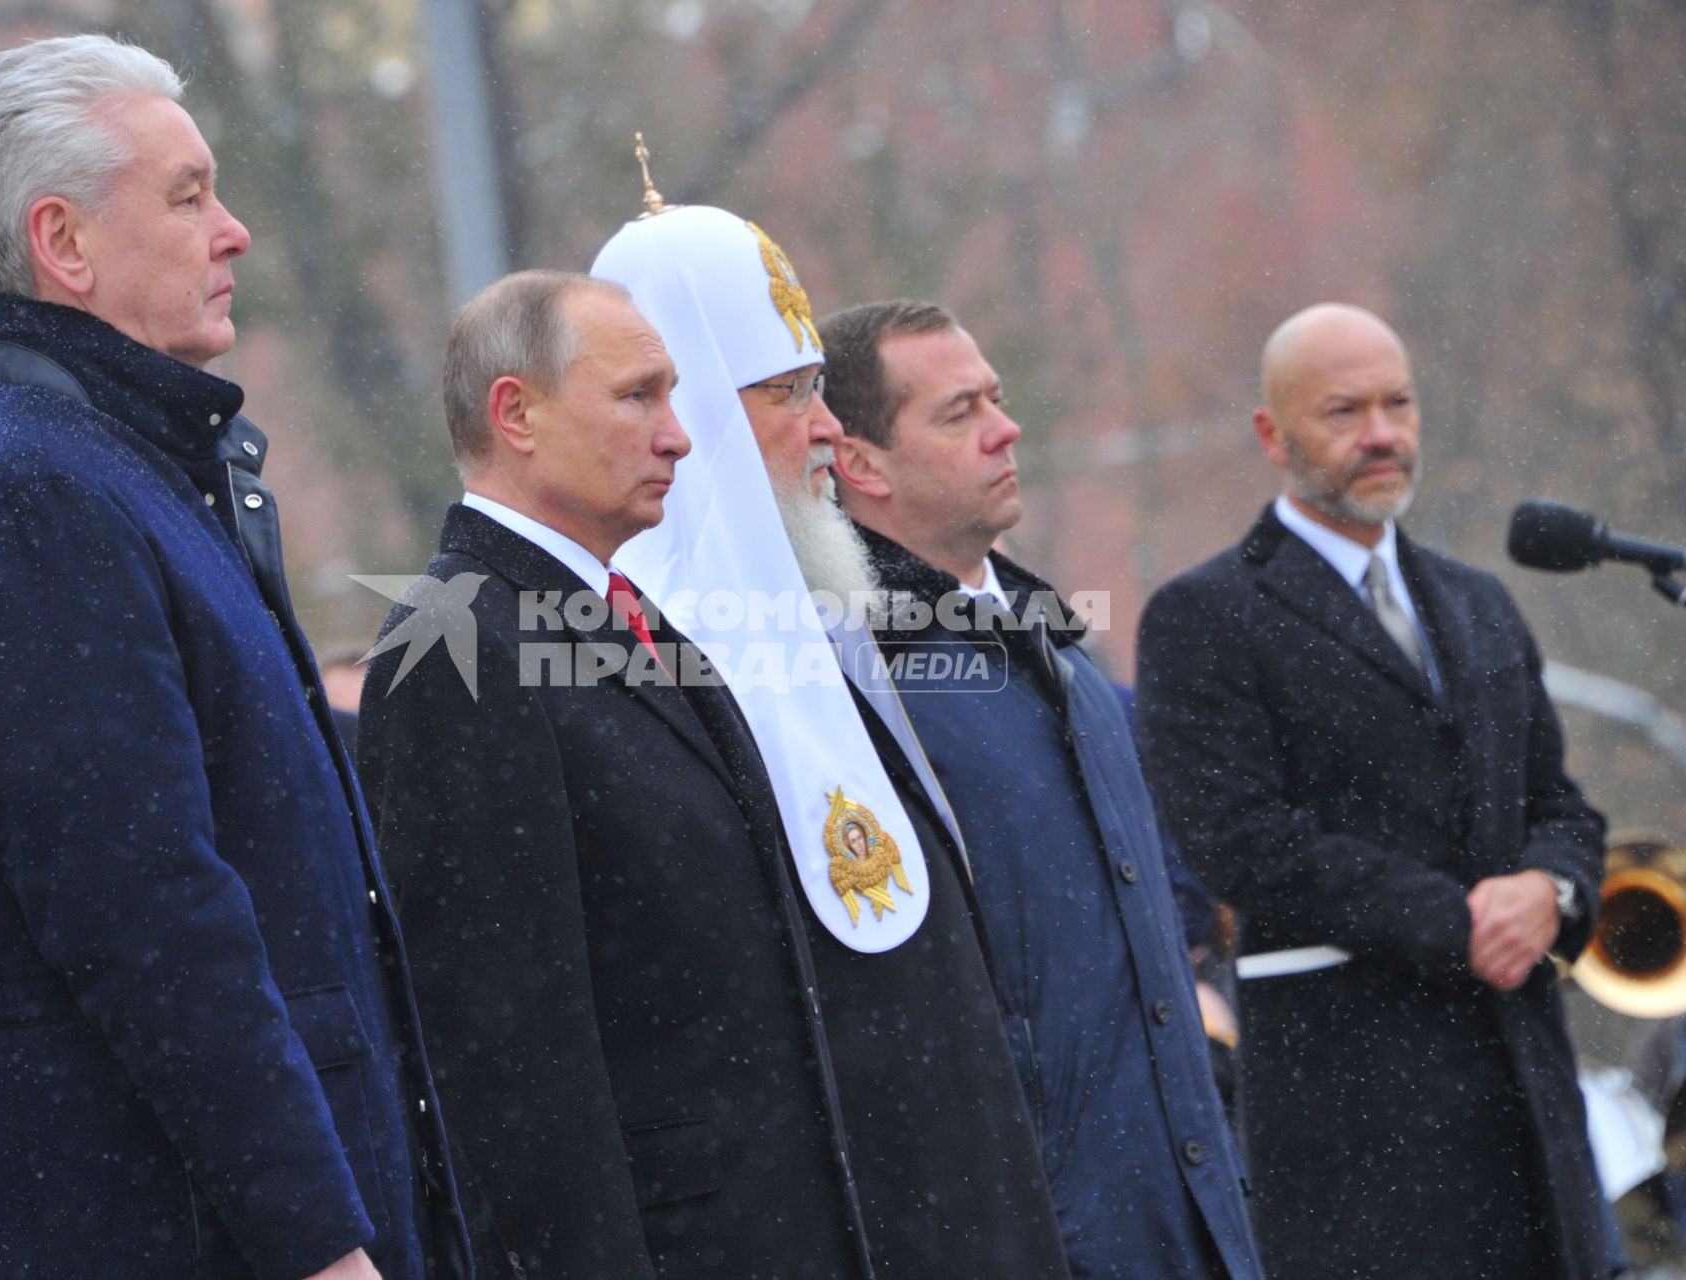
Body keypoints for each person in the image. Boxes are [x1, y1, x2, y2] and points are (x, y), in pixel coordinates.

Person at [0, 34, 466, 1280]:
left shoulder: (124, 468)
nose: (234, 229)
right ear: (64, 241)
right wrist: (323, 1240)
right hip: (168, 1234)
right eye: (189, 194)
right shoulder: (27, 495)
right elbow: (151, 925)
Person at [356, 269, 881, 1279]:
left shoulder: (622, 608)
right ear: (517, 413)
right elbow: (507, 1052)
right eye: (638, 394)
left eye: (674, 395)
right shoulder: (457, 642)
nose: (679, 434)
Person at [593, 205, 1071, 1276]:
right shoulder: (625, 667)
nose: (824, 429)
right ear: (700, 414)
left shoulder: (830, 619)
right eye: (788, 393)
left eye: (818, 385)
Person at [1135, 302, 1609, 1279]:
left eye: (1399, 403)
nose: (1383, 434)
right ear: (1273, 434)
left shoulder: (1479, 602)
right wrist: (1464, 920)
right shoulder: (1203, 615)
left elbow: (1559, 805)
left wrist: (1550, 890)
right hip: (1356, 1130)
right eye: (1345, 410)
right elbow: (1239, 838)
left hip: (1527, 1113)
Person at [818, 298, 1265, 1280]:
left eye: (999, 397)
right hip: (1040, 1237)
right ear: (860, 462)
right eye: (958, 410)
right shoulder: (859, 687)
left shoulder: (1066, 659)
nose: (1005, 426)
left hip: (1187, 1221)